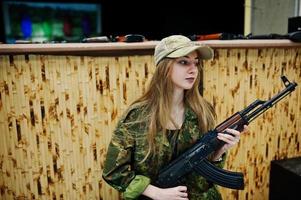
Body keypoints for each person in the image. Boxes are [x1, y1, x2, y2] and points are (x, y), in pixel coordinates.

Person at [102, 35, 248, 200]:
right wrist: (156, 193)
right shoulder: (137, 117)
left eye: (196, 62)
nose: (193, 70)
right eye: (184, 62)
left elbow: (203, 180)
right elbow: (113, 172)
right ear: (164, 67)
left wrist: (219, 152)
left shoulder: (203, 111)